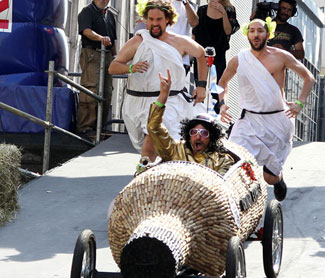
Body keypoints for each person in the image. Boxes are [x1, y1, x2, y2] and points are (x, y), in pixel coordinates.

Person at [217, 18, 315, 201]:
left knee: (269, 178)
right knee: (233, 161)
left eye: (260, 31)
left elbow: (309, 78)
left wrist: (299, 103)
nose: (256, 35)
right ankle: (239, 200)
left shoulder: (281, 56)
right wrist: (222, 103)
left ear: (268, 34)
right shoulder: (239, 60)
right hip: (248, 121)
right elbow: (222, 83)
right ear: (247, 34)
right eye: (252, 31)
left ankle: (278, 179)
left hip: (277, 119)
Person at [109, 0, 207, 168]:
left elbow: (201, 55)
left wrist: (201, 85)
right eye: (151, 19)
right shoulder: (138, 41)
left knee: (151, 141)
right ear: (145, 20)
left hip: (170, 101)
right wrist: (130, 68)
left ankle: (143, 174)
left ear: (168, 19)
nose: (154, 24)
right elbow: (113, 67)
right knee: (155, 149)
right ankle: (158, 176)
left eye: (159, 19)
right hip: (137, 102)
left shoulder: (180, 42)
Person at [146, 69, 235, 175]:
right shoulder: (176, 150)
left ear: (212, 137)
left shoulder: (222, 160)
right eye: (194, 132)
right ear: (188, 134)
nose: (198, 137)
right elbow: (153, 127)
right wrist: (163, 96)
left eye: (203, 133)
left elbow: (221, 186)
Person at [77, 0, 117, 137]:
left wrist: (116, 56)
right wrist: (101, 38)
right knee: (91, 89)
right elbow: (86, 31)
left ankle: (100, 126)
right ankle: (86, 127)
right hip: (92, 53)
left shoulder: (110, 15)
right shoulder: (87, 11)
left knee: (107, 90)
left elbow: (113, 40)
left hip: (107, 55)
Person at [192, 0, 239, 80]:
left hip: (219, 56)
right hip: (202, 57)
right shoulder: (202, 10)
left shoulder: (229, 10)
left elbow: (228, 31)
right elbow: (195, 34)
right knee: (200, 86)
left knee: (217, 87)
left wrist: (224, 13)